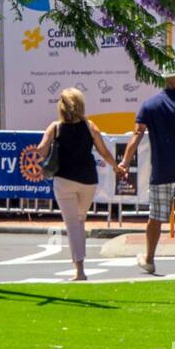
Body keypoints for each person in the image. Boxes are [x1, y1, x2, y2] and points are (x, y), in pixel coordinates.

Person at [120, 65, 175, 276]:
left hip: (162, 171)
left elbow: (137, 134)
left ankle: (149, 260)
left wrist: (124, 161)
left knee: (155, 218)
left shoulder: (149, 106)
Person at [35, 88, 121, 281]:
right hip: (88, 180)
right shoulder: (91, 126)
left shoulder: (55, 127)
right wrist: (116, 167)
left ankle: (79, 269)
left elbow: (41, 149)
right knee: (80, 220)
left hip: (64, 179)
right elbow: (104, 152)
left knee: (73, 224)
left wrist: (43, 158)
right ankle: (80, 265)